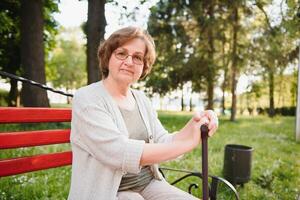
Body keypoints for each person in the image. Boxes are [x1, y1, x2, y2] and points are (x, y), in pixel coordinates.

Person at [68, 26, 218, 200]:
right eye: (121, 53)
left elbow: (164, 141)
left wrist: (195, 125)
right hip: (106, 192)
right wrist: (186, 144)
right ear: (108, 57)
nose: (129, 62)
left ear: (144, 66)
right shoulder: (87, 98)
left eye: (138, 57)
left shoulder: (141, 99)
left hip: (148, 184)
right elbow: (119, 152)